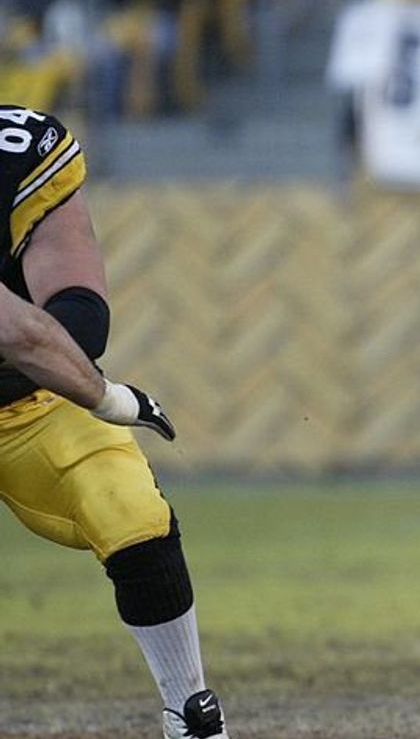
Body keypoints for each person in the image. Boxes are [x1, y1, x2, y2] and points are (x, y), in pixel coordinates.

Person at [0, 104, 226, 739]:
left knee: (133, 515)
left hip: (27, 405)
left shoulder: (21, 147)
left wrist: (72, 376)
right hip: (40, 373)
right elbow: (17, 330)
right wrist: (112, 401)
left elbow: (77, 318)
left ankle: (190, 713)